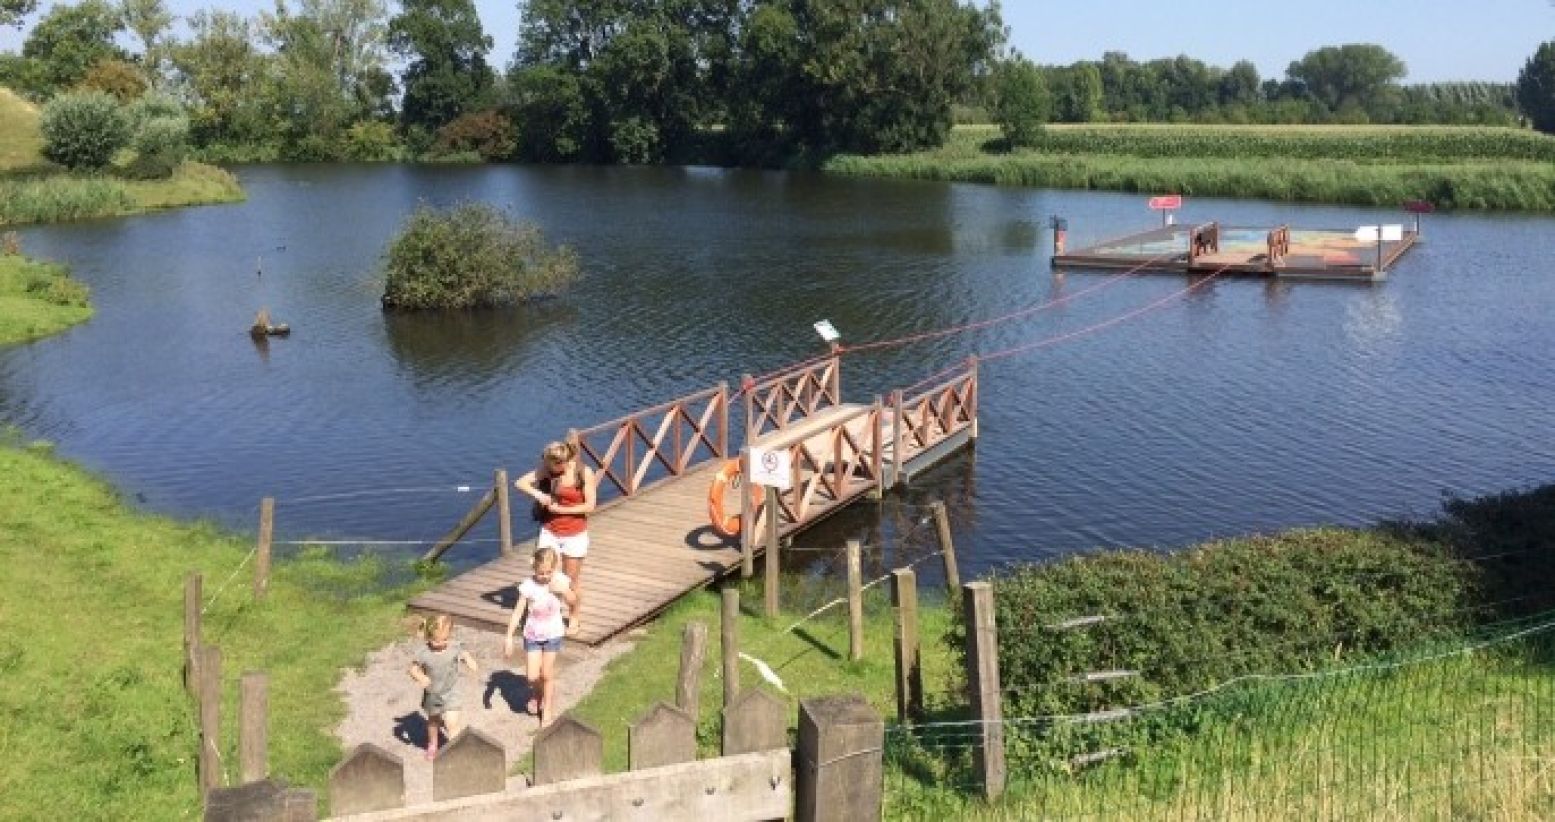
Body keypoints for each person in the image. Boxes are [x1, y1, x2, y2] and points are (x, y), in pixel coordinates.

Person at [515, 434, 596, 637]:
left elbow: (590, 506)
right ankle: (550, 612)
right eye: (547, 465)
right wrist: (539, 494)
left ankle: (574, 615)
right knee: (544, 572)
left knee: (571, 580)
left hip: (574, 533)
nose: (550, 470)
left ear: (564, 461)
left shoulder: (583, 473)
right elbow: (520, 483)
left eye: (554, 466)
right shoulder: (548, 469)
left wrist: (561, 510)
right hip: (550, 530)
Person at [503, 546, 576, 726]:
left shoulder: (559, 581)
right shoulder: (528, 586)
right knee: (532, 676)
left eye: (548, 572)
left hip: (553, 634)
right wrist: (509, 637)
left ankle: (548, 709)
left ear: (555, 568)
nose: (544, 576)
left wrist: (564, 591)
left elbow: (574, 601)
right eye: (540, 573)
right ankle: (538, 693)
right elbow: (518, 612)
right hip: (532, 634)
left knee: (547, 672)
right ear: (534, 569)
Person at [407, 613, 478, 760]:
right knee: (433, 721)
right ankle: (433, 743)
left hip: (451, 690)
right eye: (435, 640)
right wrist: (420, 677)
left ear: (449, 635)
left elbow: (464, 653)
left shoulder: (453, 647)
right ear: (428, 636)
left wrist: (469, 660)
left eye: (444, 639)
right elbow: (412, 669)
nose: (440, 644)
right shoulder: (423, 653)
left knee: (452, 723)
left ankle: (457, 749)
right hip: (433, 693)